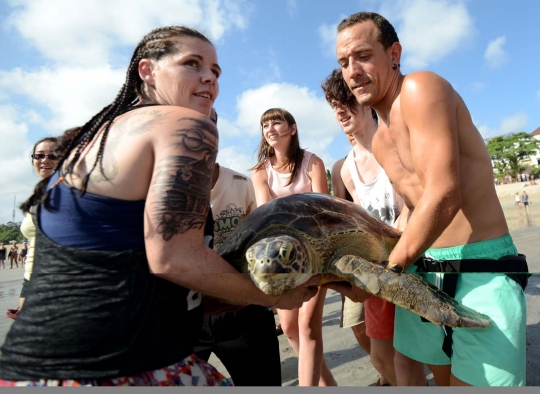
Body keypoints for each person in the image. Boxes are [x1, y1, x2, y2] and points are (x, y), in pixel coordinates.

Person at [0, 26, 321, 387]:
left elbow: (123, 268)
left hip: (35, 369)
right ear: (147, 71)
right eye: (192, 64)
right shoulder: (185, 125)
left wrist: (224, 299)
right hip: (115, 367)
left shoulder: (96, 137)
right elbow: (173, 258)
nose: (209, 79)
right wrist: (271, 294)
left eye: (215, 72)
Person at [332, 12, 527, 387]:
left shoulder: (421, 87)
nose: (353, 71)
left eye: (362, 56)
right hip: (422, 275)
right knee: (407, 376)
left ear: (394, 53)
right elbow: (411, 206)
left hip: (479, 270)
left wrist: (384, 272)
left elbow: (444, 193)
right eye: (344, 62)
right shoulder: (378, 139)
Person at [322, 68, 402, 387]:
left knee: (426, 352)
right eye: (333, 104)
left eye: (345, 101)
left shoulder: (397, 145)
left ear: (366, 102)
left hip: (417, 264)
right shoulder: (346, 170)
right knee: (382, 357)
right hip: (377, 272)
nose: (340, 110)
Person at [193, 109, 281, 386]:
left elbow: (266, 242)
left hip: (243, 308)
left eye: (208, 125)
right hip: (185, 315)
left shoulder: (241, 186)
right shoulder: (152, 193)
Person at [251, 108, 335, 386]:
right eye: (265, 125)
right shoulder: (260, 172)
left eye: (276, 122)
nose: (270, 128)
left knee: (308, 328)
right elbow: (267, 216)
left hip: (315, 251)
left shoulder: (313, 162)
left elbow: (323, 208)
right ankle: (328, 385)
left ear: (293, 128)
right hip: (282, 256)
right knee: (289, 328)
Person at [5, 137, 61, 320]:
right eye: (40, 155)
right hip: (31, 276)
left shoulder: (67, 191)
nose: (45, 160)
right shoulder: (37, 195)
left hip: (55, 281)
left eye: (53, 155)